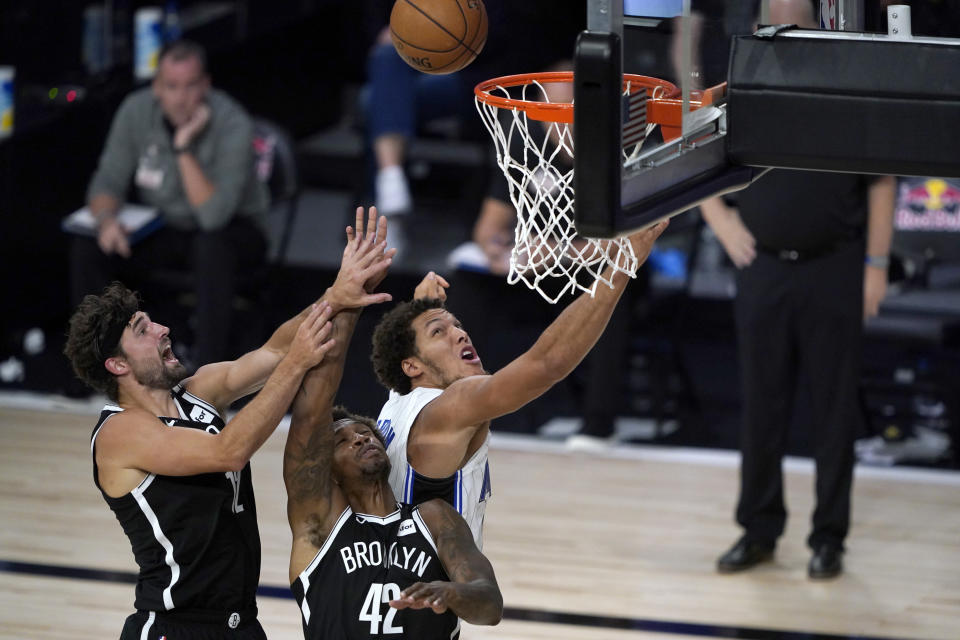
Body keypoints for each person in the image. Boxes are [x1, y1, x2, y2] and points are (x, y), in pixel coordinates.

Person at [63, 207, 394, 639]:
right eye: (143, 330)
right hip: (174, 627)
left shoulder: (200, 391)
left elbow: (277, 350)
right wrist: (294, 366)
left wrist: (339, 291)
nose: (163, 329)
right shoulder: (119, 433)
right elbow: (229, 451)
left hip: (239, 624)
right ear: (117, 364)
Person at [701, 0, 896, 581]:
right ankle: (758, 529)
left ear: (816, 11)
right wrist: (721, 219)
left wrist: (877, 264)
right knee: (762, 405)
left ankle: (829, 537)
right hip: (763, 267)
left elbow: (882, 178)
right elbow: (698, 151)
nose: (780, 7)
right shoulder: (743, 74)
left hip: (833, 264)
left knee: (833, 410)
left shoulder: (845, 75)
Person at [371, 221, 668, 546]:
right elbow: (546, 363)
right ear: (411, 365)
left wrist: (426, 311)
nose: (460, 332)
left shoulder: (398, 399)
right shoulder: (451, 406)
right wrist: (620, 267)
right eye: (439, 332)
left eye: (456, 324)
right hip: (428, 591)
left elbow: (408, 348)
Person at [281, 214, 502, 639]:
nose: (360, 436)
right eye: (343, 440)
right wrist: (346, 303)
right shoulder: (320, 524)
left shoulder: (435, 517)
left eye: (361, 433)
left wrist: (426, 314)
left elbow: (489, 603)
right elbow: (312, 410)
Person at [70, 39, 269, 368]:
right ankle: (96, 363)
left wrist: (183, 147)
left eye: (191, 86)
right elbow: (107, 180)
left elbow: (212, 216)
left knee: (211, 246)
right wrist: (106, 221)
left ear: (205, 85)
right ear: (156, 88)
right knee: (88, 245)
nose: (180, 97)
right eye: (171, 86)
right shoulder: (136, 111)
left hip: (235, 229)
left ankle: (206, 374)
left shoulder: (233, 122)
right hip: (164, 224)